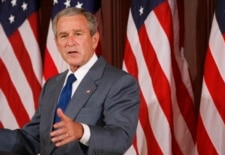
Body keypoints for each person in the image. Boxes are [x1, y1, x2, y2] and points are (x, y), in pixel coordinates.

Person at [0, 7, 140, 155]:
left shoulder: (119, 82)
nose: (70, 42)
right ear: (57, 43)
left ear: (94, 39)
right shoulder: (52, 85)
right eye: (64, 36)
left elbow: (121, 138)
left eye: (78, 34)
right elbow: (32, 138)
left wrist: (81, 131)